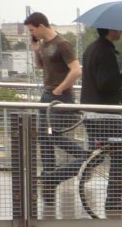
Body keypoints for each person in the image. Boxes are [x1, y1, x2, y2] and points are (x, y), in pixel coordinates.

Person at [24, 12, 83, 210]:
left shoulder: (62, 44)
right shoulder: (45, 45)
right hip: (47, 95)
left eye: (32, 30)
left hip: (60, 97)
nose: (31, 33)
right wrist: (35, 49)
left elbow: (76, 70)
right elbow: (41, 66)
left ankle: (86, 157)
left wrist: (59, 89)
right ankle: (49, 183)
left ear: (41, 26)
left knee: (54, 136)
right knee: (44, 138)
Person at [81, 27, 122, 212]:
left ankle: (54, 178)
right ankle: (113, 200)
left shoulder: (92, 48)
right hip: (106, 115)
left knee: (95, 156)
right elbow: (105, 84)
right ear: (111, 29)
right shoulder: (105, 52)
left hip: (92, 112)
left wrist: (120, 74)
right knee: (120, 154)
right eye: (119, 28)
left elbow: (102, 79)